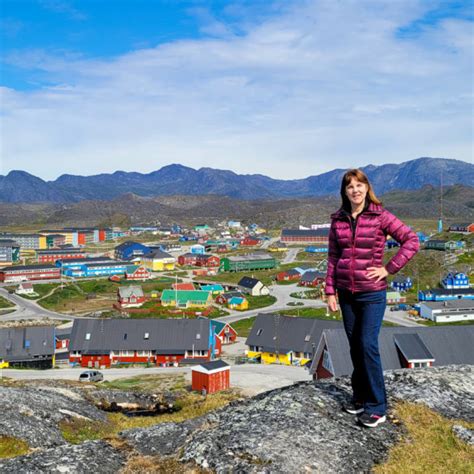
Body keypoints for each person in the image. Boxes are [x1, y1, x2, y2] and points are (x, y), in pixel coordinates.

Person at [325, 169, 419, 428]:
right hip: (345, 293)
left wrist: (388, 269)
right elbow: (333, 258)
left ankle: (377, 406)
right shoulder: (338, 220)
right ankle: (359, 398)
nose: (355, 190)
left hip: (372, 293)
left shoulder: (380, 215)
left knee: (367, 345)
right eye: (349, 186)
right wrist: (330, 291)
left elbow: (411, 240)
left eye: (359, 185)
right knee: (355, 347)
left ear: (367, 188)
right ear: (344, 192)